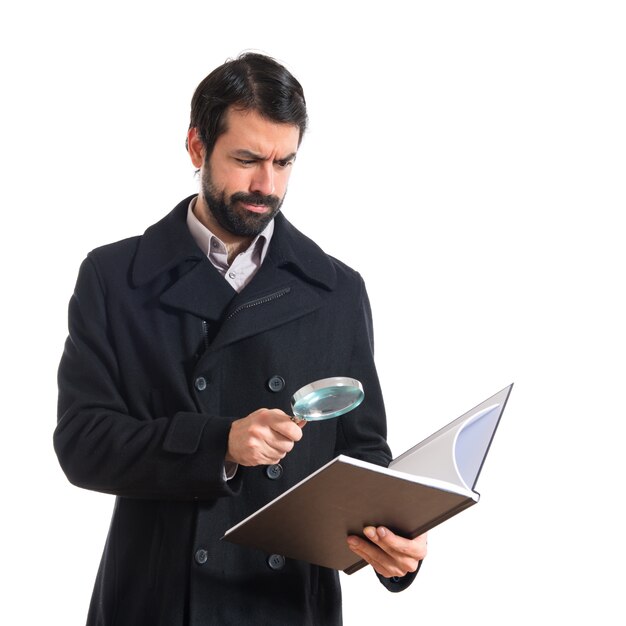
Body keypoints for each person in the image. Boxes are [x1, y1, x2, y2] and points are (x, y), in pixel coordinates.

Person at [54, 52, 427, 626]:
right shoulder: (115, 277)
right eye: (247, 159)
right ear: (197, 148)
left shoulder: (336, 290)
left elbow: (363, 455)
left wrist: (394, 547)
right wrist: (219, 444)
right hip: (157, 601)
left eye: (284, 162)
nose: (266, 185)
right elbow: (82, 444)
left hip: (285, 604)